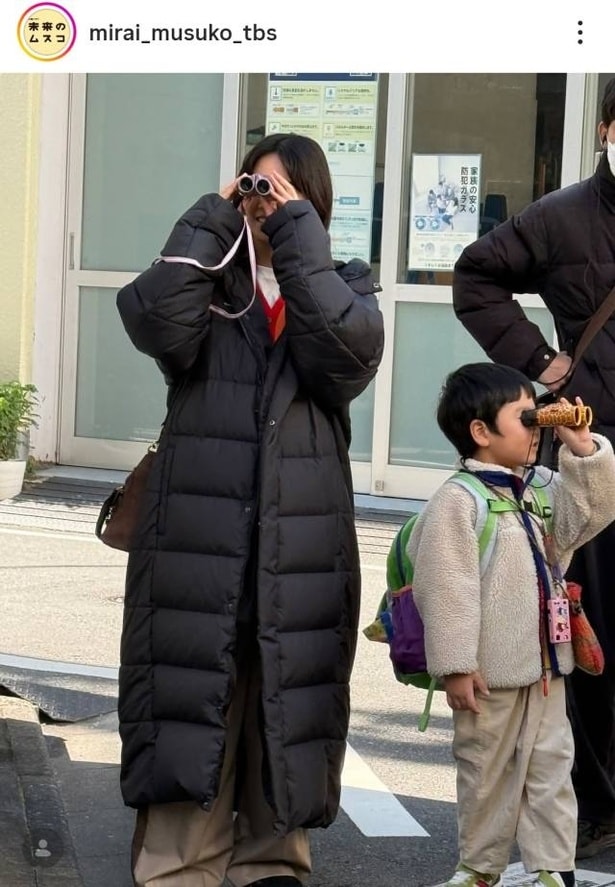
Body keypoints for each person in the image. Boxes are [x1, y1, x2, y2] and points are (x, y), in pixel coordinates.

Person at [115, 132, 384, 887]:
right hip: (196, 547)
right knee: (189, 701)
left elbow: (345, 355)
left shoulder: (344, 288)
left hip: (297, 551)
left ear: (314, 207)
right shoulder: (208, 286)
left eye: (281, 194)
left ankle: (271, 865)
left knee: (286, 710)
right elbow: (151, 318)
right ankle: (178, 867)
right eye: (254, 188)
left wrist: (299, 239)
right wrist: (213, 215)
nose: (264, 205)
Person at [452, 77, 615, 859]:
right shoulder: (563, 215)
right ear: (609, 126)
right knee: (589, 628)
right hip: (591, 444)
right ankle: (589, 800)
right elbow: (474, 276)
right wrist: (544, 364)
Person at [409, 362, 615, 887]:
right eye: (525, 416)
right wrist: (456, 666)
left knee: (552, 771)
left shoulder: (542, 487)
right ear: (481, 432)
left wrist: (584, 450)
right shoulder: (458, 502)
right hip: (489, 673)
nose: (537, 424)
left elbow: (592, 514)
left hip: (547, 667)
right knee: (487, 772)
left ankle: (553, 866)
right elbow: (447, 590)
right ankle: (480, 865)